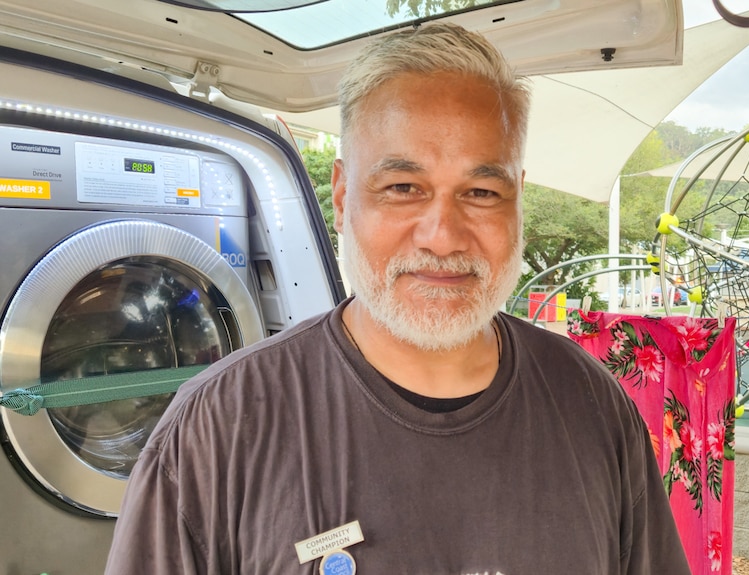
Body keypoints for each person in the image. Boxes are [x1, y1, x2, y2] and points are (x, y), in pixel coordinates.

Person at [105, 22, 691, 575]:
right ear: (340, 197)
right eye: (403, 188)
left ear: (517, 204)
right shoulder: (217, 428)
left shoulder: (591, 406)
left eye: (482, 191)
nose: (443, 235)